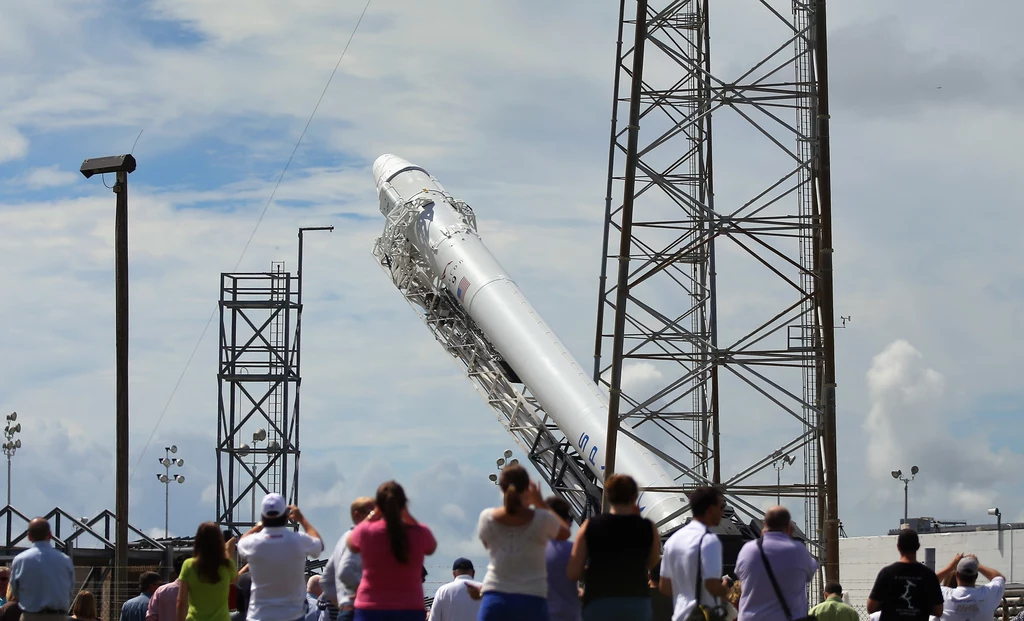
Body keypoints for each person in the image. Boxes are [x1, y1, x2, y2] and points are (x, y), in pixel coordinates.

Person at [476, 464, 571, 621]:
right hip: (532, 600)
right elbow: (564, 532)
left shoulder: (487, 518)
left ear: (502, 488)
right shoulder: (542, 519)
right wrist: (540, 502)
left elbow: (488, 545)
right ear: (527, 489)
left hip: (495, 598)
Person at [567, 474, 660, 620]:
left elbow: (573, 572)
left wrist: (594, 573)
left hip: (599, 604)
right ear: (634, 496)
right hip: (636, 605)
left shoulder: (589, 526)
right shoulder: (648, 527)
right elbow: (653, 562)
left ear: (608, 495)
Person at [348, 481, 437, 620]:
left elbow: (351, 543)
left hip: (370, 607)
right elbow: (431, 548)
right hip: (410, 608)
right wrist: (407, 515)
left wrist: (373, 514)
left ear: (379, 505)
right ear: (404, 504)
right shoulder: (420, 532)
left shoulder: (365, 531)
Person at [237, 495, 324, 621]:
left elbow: (241, 542)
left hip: (260, 615)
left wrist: (260, 525)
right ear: (286, 515)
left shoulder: (254, 543)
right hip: (292, 615)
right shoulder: (297, 540)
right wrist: (301, 519)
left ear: (263, 516)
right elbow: (318, 545)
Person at [659, 487, 730, 621]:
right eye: (721, 506)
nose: (723, 511)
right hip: (703, 615)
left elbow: (664, 587)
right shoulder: (709, 540)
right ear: (710, 510)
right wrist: (726, 589)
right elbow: (712, 586)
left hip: (680, 615)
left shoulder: (673, 541)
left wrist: (685, 595)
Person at [735, 506, 817, 621]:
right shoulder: (799, 551)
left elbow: (739, 575)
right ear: (790, 527)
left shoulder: (748, 550)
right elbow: (810, 571)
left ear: (764, 524)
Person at [866, 529, 943, 621]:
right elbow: (938, 611)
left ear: (898, 547)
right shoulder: (929, 575)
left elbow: (871, 607)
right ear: (918, 547)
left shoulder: (887, 573)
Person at [9, 518, 75, 621]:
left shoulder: (20, 560)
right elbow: (70, 590)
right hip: (58, 616)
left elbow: (15, 591)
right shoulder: (65, 560)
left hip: (30, 616)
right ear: (50, 534)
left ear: (29, 536)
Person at [321, 498, 375, 621]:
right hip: (360, 612)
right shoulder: (359, 538)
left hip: (347, 611)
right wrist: (365, 594)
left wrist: (342, 602)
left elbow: (325, 580)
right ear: (357, 515)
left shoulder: (343, 539)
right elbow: (345, 572)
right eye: (371, 512)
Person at [176, 522, 238, 621]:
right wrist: (227, 552)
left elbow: (181, 602)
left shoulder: (189, 565)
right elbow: (235, 581)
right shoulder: (227, 565)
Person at [934, 554, 1005, 621]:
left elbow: (929, 582)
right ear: (976, 576)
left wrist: (950, 567)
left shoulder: (945, 595)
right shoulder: (987, 594)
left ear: (957, 575)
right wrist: (977, 565)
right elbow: (999, 578)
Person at [544, 497, 581, 621]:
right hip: (568, 616)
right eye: (570, 519)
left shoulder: (529, 549)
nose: (571, 523)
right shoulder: (574, 551)